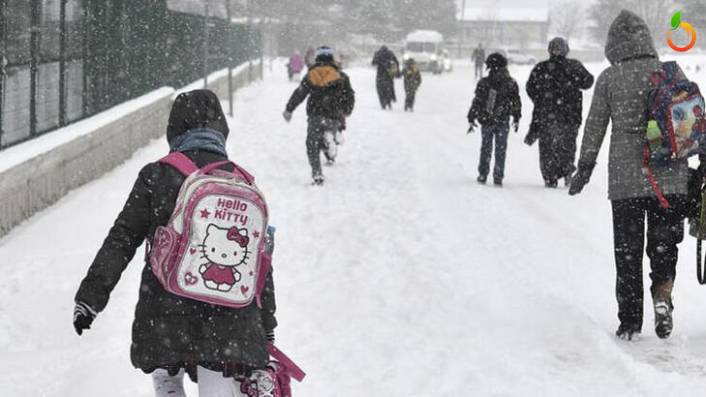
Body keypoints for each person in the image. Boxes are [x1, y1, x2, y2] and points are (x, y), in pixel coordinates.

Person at [73, 89, 278, 395]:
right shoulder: (240, 181)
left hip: (164, 310)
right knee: (219, 379)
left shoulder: (156, 175)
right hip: (229, 317)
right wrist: (266, 323)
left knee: (166, 374)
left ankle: (168, 384)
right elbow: (258, 261)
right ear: (221, 129)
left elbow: (122, 238)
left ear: (174, 129)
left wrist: (91, 297)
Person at [569, 10, 695, 341]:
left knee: (627, 251)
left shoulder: (610, 78)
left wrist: (584, 168)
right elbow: (691, 121)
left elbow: (595, 127)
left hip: (626, 179)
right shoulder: (668, 72)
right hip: (669, 178)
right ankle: (663, 295)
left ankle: (629, 322)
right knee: (664, 245)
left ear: (613, 45)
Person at [525, 37, 594, 188]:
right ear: (566, 50)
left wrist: (541, 100)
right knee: (568, 145)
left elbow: (530, 87)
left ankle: (550, 176)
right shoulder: (574, 66)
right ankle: (567, 170)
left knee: (547, 147)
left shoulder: (541, 68)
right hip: (570, 115)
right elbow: (588, 82)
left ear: (549, 50)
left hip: (546, 115)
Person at [283, 46, 355, 185]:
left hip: (315, 114)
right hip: (334, 115)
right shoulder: (342, 76)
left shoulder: (311, 75)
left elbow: (299, 93)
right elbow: (349, 96)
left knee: (312, 144)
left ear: (317, 58)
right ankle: (332, 138)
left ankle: (317, 173)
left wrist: (289, 109)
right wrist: (347, 110)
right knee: (329, 131)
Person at [467, 53, 521, 187]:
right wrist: (516, 116)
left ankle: (483, 173)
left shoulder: (484, 82)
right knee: (500, 149)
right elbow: (516, 102)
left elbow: (477, 101)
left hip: (487, 119)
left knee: (486, 147)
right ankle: (498, 175)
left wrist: (472, 116)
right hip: (503, 120)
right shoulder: (511, 83)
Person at [371, 45, 400, 110]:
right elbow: (396, 62)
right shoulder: (390, 53)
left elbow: (373, 63)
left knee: (380, 89)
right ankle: (389, 100)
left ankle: (383, 103)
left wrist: (379, 62)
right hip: (389, 75)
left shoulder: (378, 53)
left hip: (380, 75)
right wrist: (397, 72)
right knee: (389, 88)